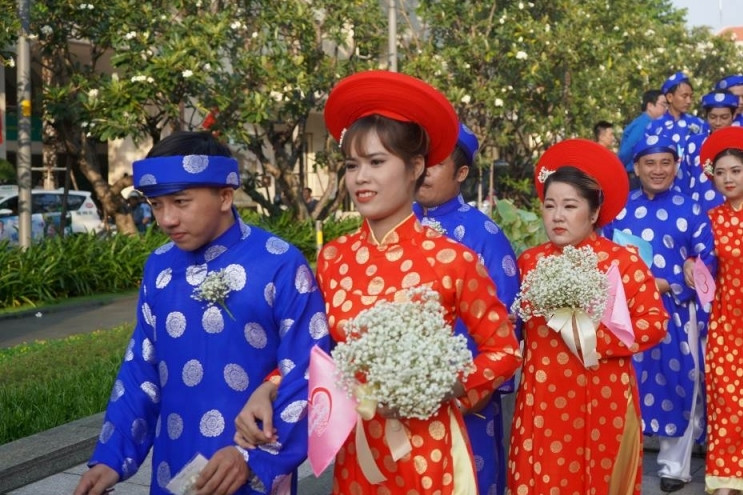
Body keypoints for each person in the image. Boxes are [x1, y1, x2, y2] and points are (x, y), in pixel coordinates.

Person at [235, 70, 522, 494]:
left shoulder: (453, 259)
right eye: (352, 165)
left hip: (431, 454)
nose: (360, 178)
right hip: (357, 452)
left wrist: (449, 386)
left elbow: (505, 349)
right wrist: (270, 387)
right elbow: (313, 347)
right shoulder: (335, 257)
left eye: (376, 162)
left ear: (416, 167)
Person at [73, 131, 330, 495]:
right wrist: (111, 459)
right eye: (156, 205)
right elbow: (141, 371)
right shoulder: (159, 268)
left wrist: (254, 459)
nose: (166, 219)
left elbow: (311, 369)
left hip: (251, 473)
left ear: (225, 196)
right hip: (172, 471)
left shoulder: (280, 263)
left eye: (180, 201)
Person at [507, 139, 668, 495]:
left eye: (569, 206)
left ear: (594, 212)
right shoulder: (530, 262)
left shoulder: (621, 262)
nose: (557, 216)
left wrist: (595, 339)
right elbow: (511, 327)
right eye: (550, 206)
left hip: (603, 395)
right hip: (542, 396)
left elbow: (654, 323)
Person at [603, 133, 716, 493]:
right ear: (636, 167)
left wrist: (679, 280)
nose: (657, 170)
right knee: (626, 382)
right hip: (624, 311)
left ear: (676, 166)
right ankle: (623, 460)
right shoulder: (618, 209)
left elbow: (707, 261)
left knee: (680, 382)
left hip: (677, 313)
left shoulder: (693, 209)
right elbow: (602, 254)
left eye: (665, 162)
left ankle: (675, 467)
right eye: (649, 163)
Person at [413, 122, 520, 495]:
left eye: (436, 164)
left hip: (465, 395)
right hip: (397, 396)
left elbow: (507, 321)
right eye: (419, 160)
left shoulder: (485, 236)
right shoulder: (393, 224)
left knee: (469, 478)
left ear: (460, 173)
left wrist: (479, 388)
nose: (423, 170)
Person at [699, 126, 743, 495]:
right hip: (727, 322)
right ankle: (726, 480)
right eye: (721, 172)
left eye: (736, 171)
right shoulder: (710, 220)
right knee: (727, 402)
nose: (727, 178)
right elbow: (702, 268)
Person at [677, 90, 738, 212]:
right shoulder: (694, 143)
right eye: (713, 117)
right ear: (706, 116)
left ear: (734, 115)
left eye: (724, 117)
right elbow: (682, 181)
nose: (718, 122)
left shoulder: (740, 142)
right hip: (699, 212)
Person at [646, 71, 706, 160]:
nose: (689, 101)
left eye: (691, 96)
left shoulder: (699, 124)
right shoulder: (654, 127)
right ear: (670, 97)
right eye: (684, 96)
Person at [618, 89, 668, 186]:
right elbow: (627, 150)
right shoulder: (644, 124)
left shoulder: (651, 124)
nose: (666, 109)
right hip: (635, 177)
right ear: (650, 106)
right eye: (663, 104)